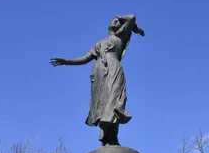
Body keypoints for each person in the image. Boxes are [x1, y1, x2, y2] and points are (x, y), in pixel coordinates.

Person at [51, 15, 145, 146]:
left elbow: (131, 18)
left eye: (118, 21)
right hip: (99, 73)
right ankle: (107, 139)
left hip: (114, 69)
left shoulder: (121, 37)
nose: (115, 20)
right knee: (102, 104)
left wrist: (125, 20)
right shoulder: (99, 44)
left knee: (114, 102)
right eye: (113, 19)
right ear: (107, 25)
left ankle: (113, 138)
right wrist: (67, 62)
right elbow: (85, 58)